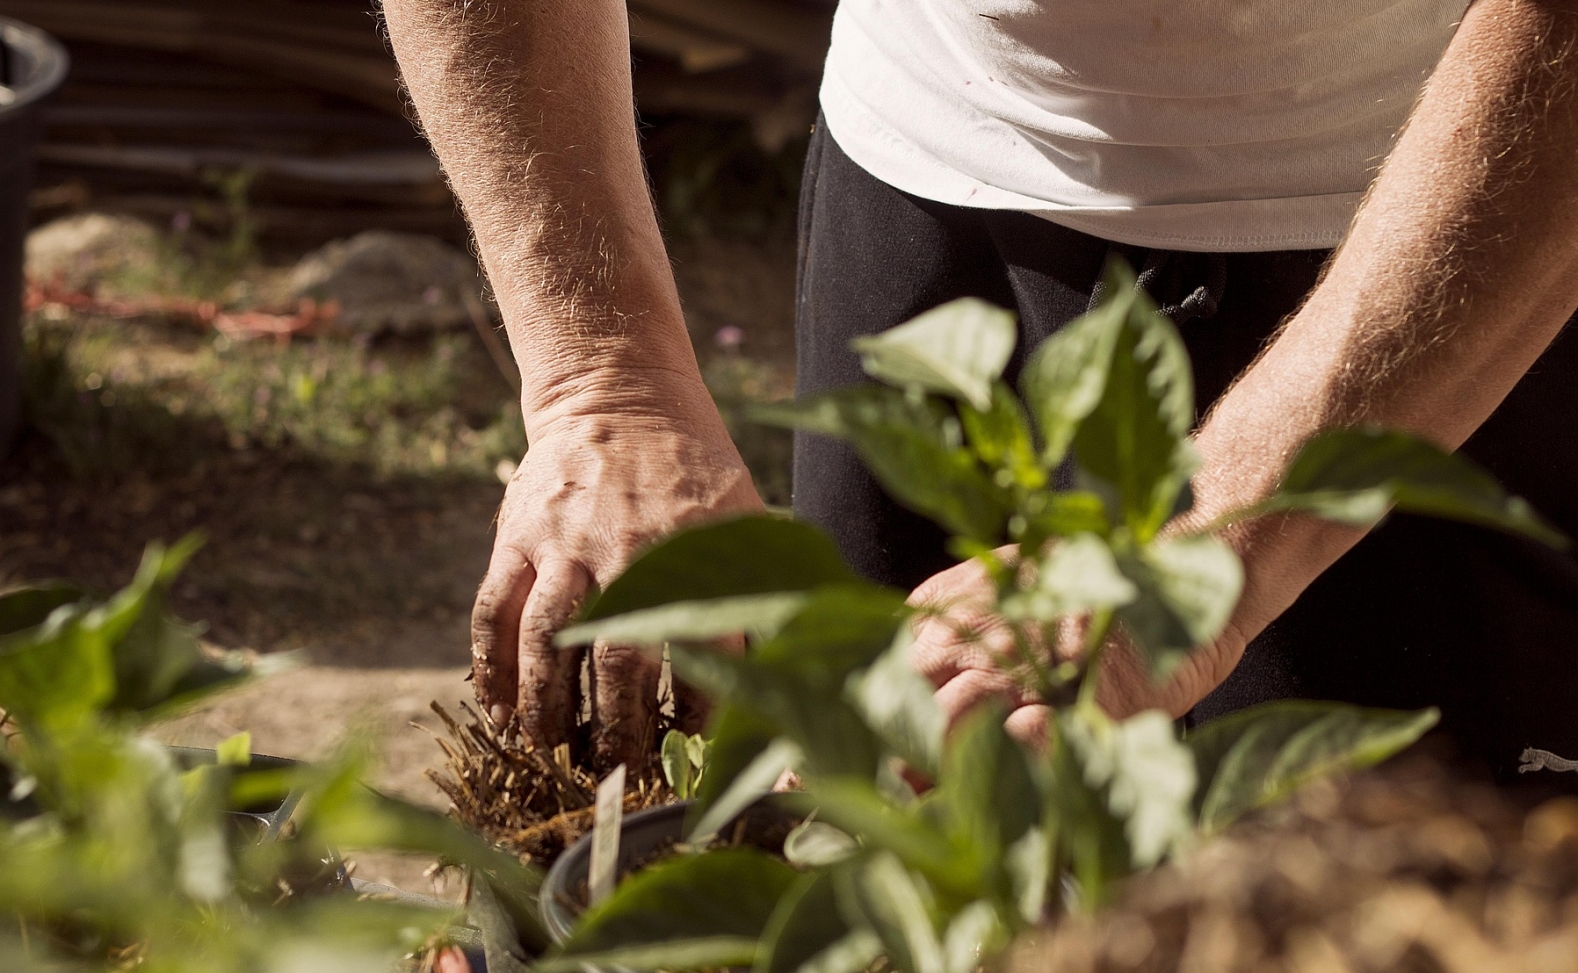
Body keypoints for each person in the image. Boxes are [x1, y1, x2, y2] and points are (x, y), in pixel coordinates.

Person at [380, 0, 1578, 785]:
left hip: (1441, 242)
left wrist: (1201, 546)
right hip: (923, 184)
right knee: (889, 854)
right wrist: (605, 379)